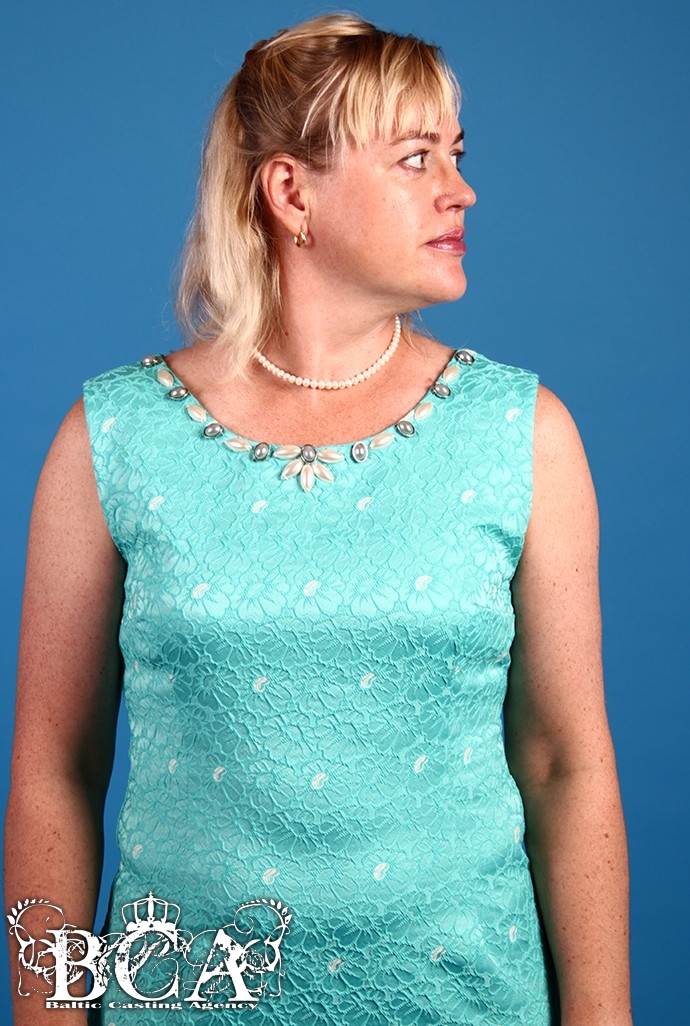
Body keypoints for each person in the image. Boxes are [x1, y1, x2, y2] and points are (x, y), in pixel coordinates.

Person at [5, 12, 632, 1026]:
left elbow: (569, 764)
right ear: (292, 193)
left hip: (465, 1002)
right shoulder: (111, 438)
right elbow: (53, 773)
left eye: (457, 154)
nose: (461, 190)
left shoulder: (526, 434)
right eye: (416, 158)